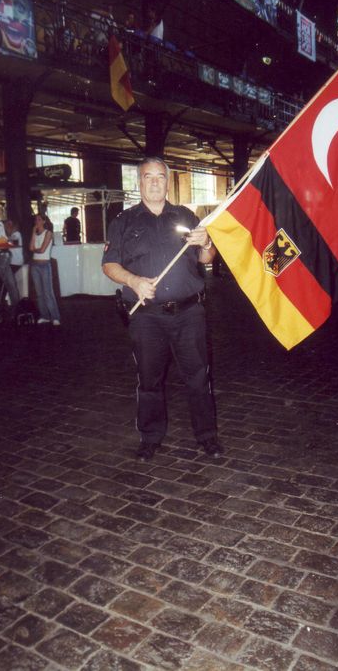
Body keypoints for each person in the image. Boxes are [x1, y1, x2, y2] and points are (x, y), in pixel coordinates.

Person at [102, 156, 222, 461]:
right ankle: (150, 437)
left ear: (168, 182)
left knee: (198, 376)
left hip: (189, 313)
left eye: (160, 177)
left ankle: (207, 436)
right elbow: (109, 264)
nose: (155, 182)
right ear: (139, 182)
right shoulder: (123, 221)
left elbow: (206, 259)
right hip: (146, 317)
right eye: (148, 177)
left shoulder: (185, 216)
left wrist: (207, 242)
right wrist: (134, 281)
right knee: (149, 378)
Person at [30, 213, 61, 326]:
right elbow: (30, 247)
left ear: (44, 221)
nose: (36, 222)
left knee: (48, 293)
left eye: (39, 220)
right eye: (35, 220)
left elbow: (42, 250)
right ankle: (45, 316)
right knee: (39, 294)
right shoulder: (35, 233)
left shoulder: (48, 233)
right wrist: (33, 232)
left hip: (44, 265)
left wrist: (35, 249)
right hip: (35, 266)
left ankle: (55, 317)